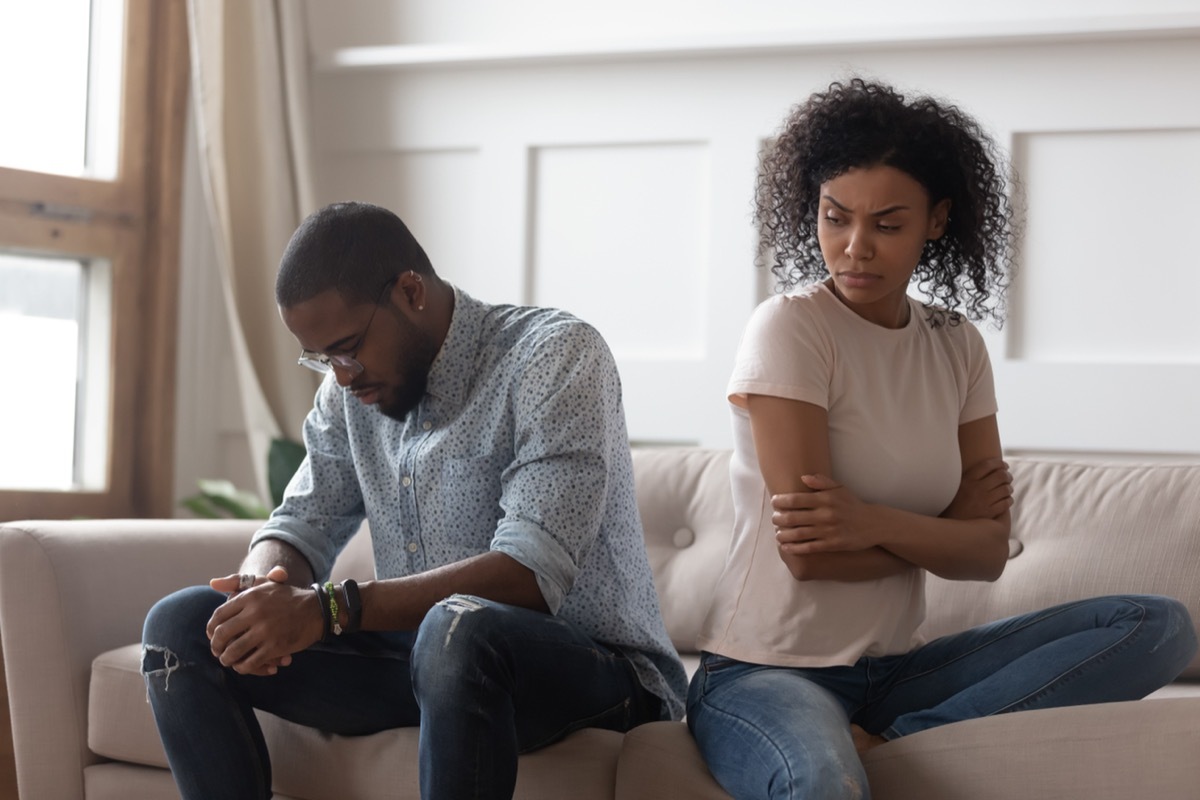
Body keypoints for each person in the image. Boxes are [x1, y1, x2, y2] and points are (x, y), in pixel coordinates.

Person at [686, 78, 1197, 800]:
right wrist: (942, 528)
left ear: (937, 220)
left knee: (1156, 625)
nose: (854, 248)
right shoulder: (791, 328)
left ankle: (899, 739)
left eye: (888, 225)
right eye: (835, 218)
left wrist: (871, 521)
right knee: (823, 786)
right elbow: (813, 554)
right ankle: (892, 744)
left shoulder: (955, 344)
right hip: (765, 670)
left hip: (898, 669)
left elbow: (987, 556)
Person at [142, 201, 688, 800]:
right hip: (427, 661)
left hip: (591, 669)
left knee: (458, 628)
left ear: (410, 292)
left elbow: (531, 573)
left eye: (347, 348)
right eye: (323, 359)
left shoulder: (555, 357)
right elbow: (300, 521)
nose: (342, 376)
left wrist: (328, 609)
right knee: (183, 625)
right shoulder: (348, 391)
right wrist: (260, 590)